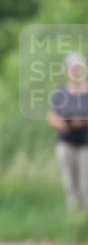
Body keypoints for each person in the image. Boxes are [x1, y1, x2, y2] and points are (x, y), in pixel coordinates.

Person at [48, 53, 88, 211]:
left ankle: (84, 213)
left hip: (85, 141)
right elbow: (52, 116)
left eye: (79, 68)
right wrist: (64, 124)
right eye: (73, 69)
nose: (76, 72)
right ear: (67, 71)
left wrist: (82, 121)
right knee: (70, 180)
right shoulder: (61, 93)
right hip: (66, 141)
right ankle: (72, 211)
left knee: (85, 180)